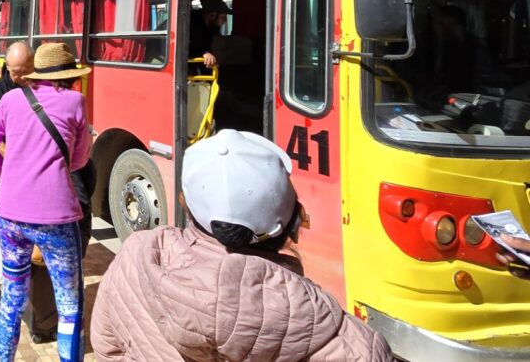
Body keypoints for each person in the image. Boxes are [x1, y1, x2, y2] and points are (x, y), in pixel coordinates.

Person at [90, 129, 393, 361]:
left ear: (184, 203)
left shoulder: (134, 258)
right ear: (292, 222)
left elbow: (108, 348)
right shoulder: (355, 346)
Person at [0, 42, 92, 362]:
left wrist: (6, 173)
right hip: (57, 217)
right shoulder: (76, 102)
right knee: (69, 305)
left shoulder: (11, 99)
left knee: (12, 299)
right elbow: (80, 159)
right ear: (70, 77)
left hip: (11, 216)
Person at [0, 41, 35, 324]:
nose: (22, 77)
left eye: (27, 71)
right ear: (6, 68)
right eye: (16, 72)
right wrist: (10, 164)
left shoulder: (36, 90)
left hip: (25, 173)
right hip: (0, 169)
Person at [189, 0, 230, 68]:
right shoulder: (191, 24)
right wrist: (205, 53)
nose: (225, 21)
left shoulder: (212, 27)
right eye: (223, 17)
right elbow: (193, 42)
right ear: (212, 15)